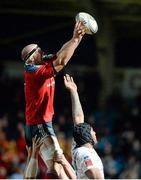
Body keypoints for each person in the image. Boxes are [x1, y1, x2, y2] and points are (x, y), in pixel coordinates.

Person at [21, 21, 86, 178]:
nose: (41, 51)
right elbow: (61, 62)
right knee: (56, 166)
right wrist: (75, 39)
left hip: (37, 124)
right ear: (31, 58)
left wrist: (75, 39)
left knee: (57, 164)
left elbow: (61, 53)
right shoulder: (34, 72)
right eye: (38, 50)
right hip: (40, 125)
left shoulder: (39, 64)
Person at [64, 74, 104, 179]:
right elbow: (93, 173)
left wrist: (73, 91)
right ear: (87, 136)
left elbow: (78, 118)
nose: (95, 133)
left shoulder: (78, 145)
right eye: (92, 132)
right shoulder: (83, 152)